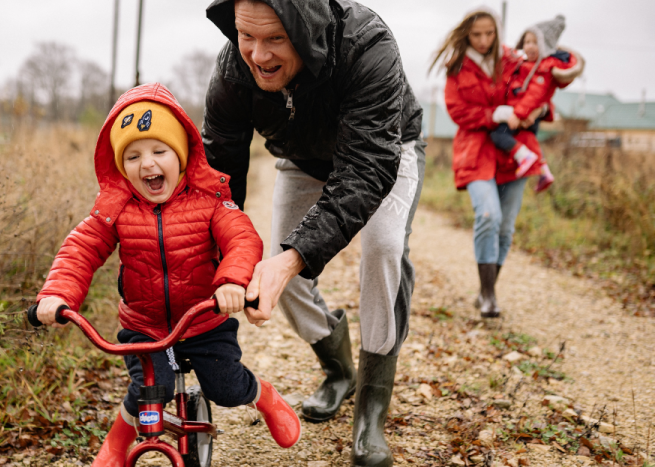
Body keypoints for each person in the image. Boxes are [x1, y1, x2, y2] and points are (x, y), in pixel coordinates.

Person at [203, 0, 424, 465]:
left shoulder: (368, 46)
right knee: (279, 263)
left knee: (382, 247)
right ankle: (339, 371)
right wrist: (218, 259)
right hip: (303, 159)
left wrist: (293, 258)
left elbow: (366, 169)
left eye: (275, 39)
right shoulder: (232, 69)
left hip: (384, 149)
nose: (258, 55)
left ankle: (371, 409)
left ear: (306, 30)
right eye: (247, 36)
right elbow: (219, 174)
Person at [34, 83, 301, 467]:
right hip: (145, 326)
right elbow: (81, 249)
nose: (147, 164)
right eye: (133, 156)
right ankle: (115, 444)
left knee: (225, 387)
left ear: (182, 155)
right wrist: (57, 294)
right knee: (147, 391)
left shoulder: (209, 201)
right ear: (119, 165)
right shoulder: (117, 208)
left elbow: (242, 238)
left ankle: (264, 396)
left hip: (203, 320)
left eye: (160, 151)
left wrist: (232, 281)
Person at [430, 7, 540, 318]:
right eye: (476, 34)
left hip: (513, 151)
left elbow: (538, 85)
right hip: (475, 150)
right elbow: (457, 111)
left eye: (489, 34)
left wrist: (537, 109)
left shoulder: (512, 59)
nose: (482, 40)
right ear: (467, 34)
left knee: (505, 228)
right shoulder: (457, 67)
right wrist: (493, 115)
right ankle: (489, 295)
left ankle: (485, 291)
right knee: (488, 215)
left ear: (497, 33)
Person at [490, 15, 584, 192]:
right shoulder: (525, 65)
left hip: (522, 114)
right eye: (527, 42)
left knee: (498, 136)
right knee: (528, 140)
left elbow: (534, 95)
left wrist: (518, 115)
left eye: (535, 42)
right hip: (524, 113)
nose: (529, 46)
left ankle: (523, 157)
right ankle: (544, 171)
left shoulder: (543, 69)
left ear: (545, 46)